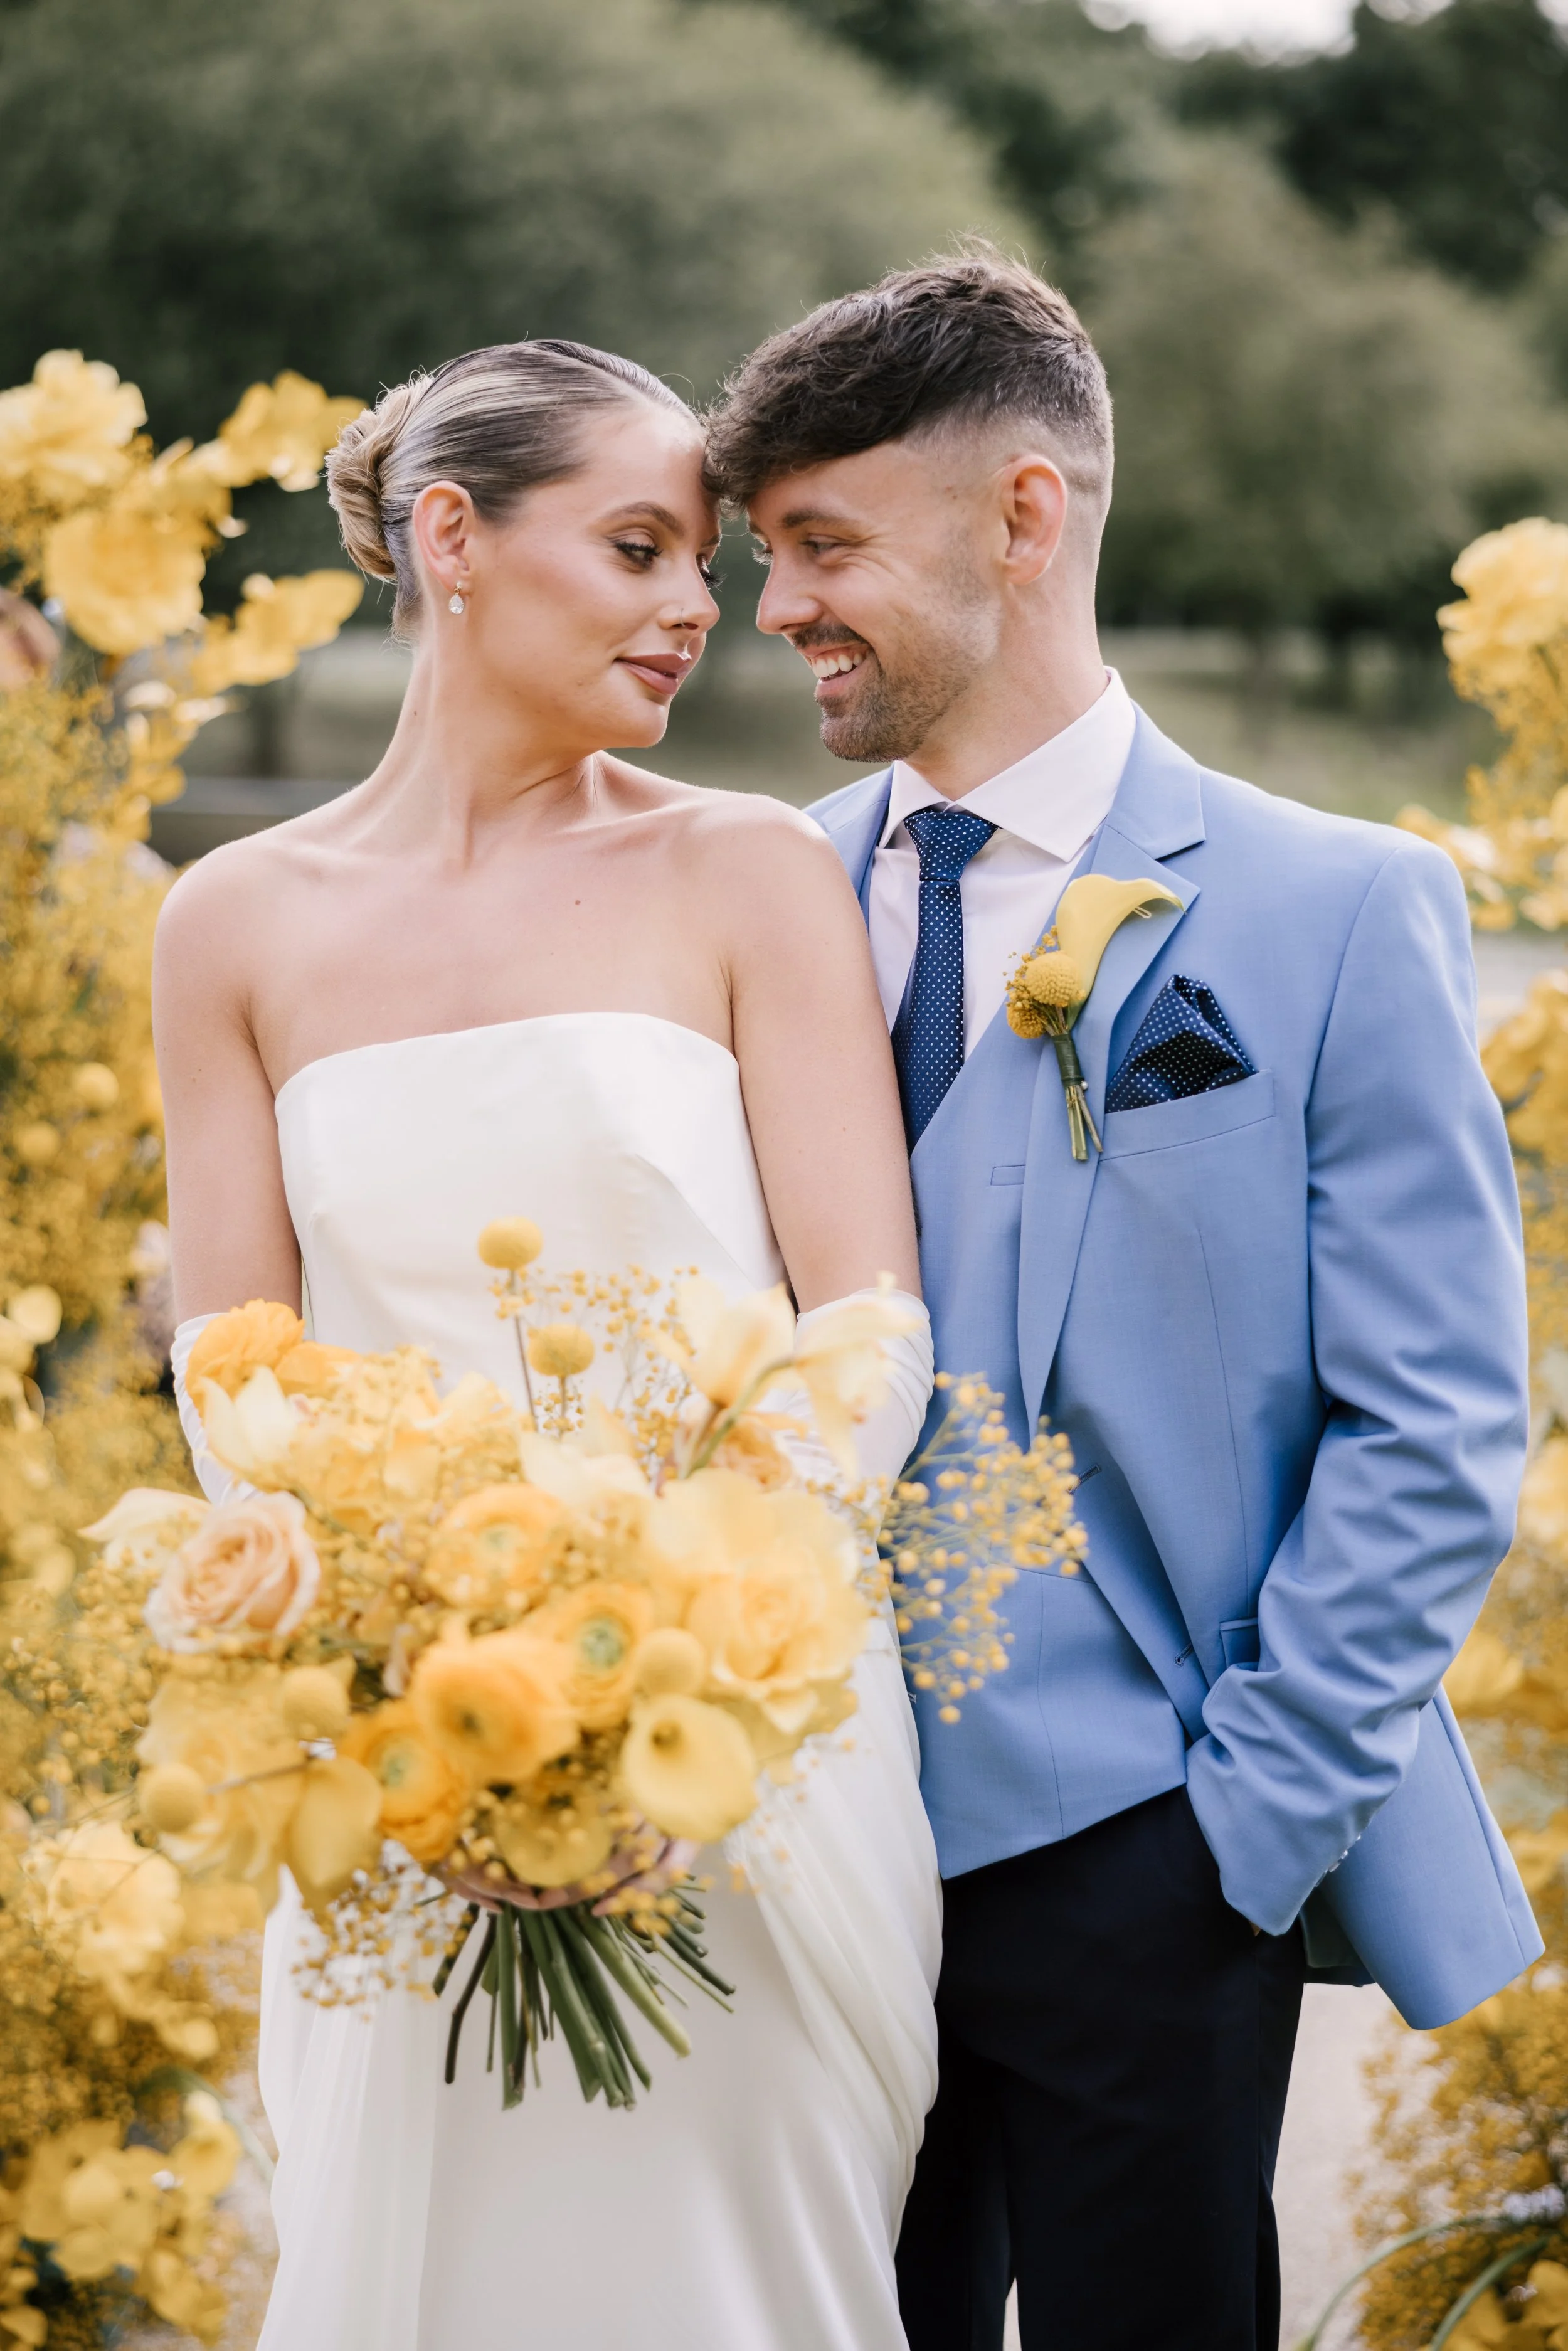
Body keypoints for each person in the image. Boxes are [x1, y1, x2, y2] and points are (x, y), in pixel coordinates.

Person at [704, 247, 1540, 2351]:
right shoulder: (756, 897)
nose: (773, 603)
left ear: (1021, 517)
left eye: (821, 543)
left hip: (1146, 1844)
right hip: (792, 1843)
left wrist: (1238, 1826)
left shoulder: (1337, 905)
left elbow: (1432, 1424)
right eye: (758, 551)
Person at [152, 338, 941, 2351]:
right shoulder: (234, 923)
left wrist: (674, 1679)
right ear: (450, 536)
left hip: (732, 1764)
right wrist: (419, 1679)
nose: (702, 605)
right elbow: (235, 1371)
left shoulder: (745, 870)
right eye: (641, 546)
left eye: (707, 560)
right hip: (409, 1764)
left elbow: (862, 1324)